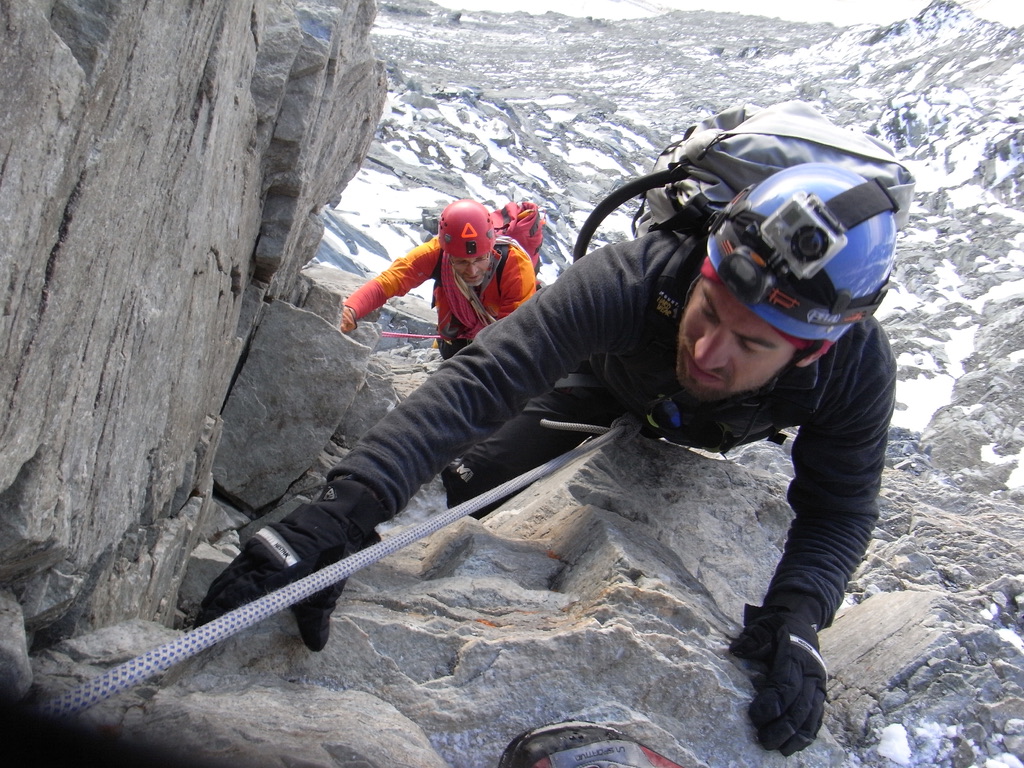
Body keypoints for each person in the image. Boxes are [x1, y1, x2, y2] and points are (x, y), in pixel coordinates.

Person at [198, 163, 902, 756]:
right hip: (601, 387)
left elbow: (839, 507)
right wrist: (342, 512)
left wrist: (800, 615)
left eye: (752, 345)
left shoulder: (855, 371)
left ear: (812, 349)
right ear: (707, 266)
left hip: (684, 418)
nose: (710, 351)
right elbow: (485, 380)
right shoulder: (639, 278)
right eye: (709, 310)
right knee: (469, 475)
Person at [339, 198, 538, 359]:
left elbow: (512, 331)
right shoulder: (435, 254)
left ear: (491, 248)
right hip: (456, 341)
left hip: (501, 343)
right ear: (448, 253)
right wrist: (351, 309)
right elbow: (391, 281)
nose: (473, 270)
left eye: (479, 259)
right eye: (461, 262)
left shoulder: (514, 264)